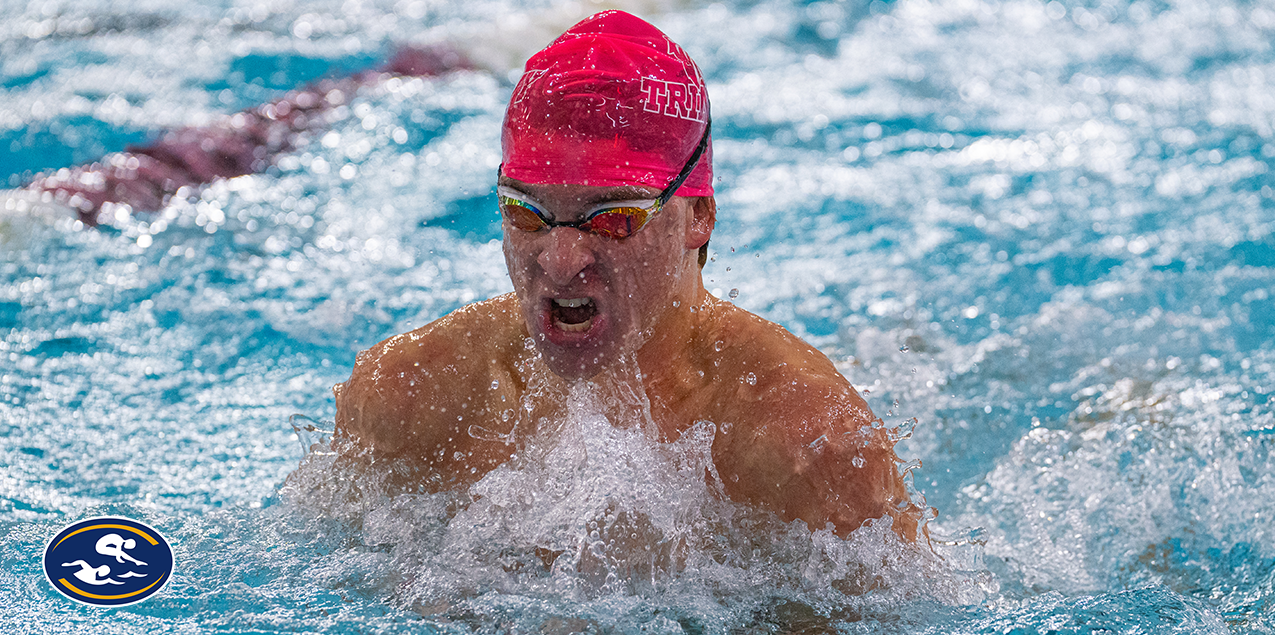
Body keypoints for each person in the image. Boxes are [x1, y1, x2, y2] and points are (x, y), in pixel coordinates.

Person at [333, 10, 922, 540]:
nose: (561, 261)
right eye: (526, 213)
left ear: (698, 215)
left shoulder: (806, 444)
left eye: (612, 218)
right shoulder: (408, 394)